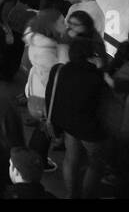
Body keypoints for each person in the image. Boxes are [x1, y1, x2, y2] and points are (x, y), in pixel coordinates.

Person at [47, 38, 112, 199]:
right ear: (91, 56)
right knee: (97, 164)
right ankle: (87, 195)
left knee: (71, 159)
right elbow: (104, 103)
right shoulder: (96, 77)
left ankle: (72, 195)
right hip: (89, 129)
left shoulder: (60, 69)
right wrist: (101, 68)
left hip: (67, 124)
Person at [22, 9, 68, 171]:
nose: (66, 24)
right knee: (44, 131)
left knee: (41, 130)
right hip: (45, 97)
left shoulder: (38, 41)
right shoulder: (47, 50)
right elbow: (57, 75)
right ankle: (37, 162)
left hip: (37, 91)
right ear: (51, 26)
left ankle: (34, 158)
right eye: (62, 22)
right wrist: (63, 48)